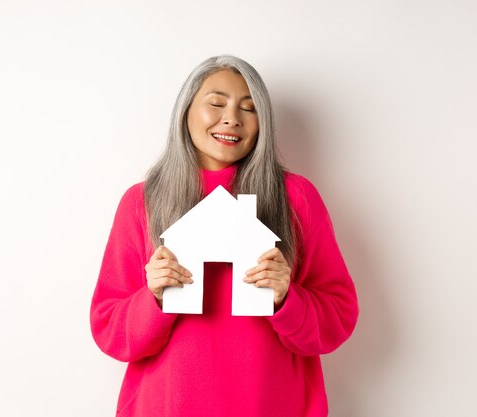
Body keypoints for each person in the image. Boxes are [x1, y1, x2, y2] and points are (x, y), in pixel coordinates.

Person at [90, 55, 359, 417]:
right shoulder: (142, 201)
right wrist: (151, 297)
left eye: (249, 108)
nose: (232, 118)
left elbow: (338, 317)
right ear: (186, 111)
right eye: (216, 103)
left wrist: (286, 298)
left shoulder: (296, 198)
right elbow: (108, 328)